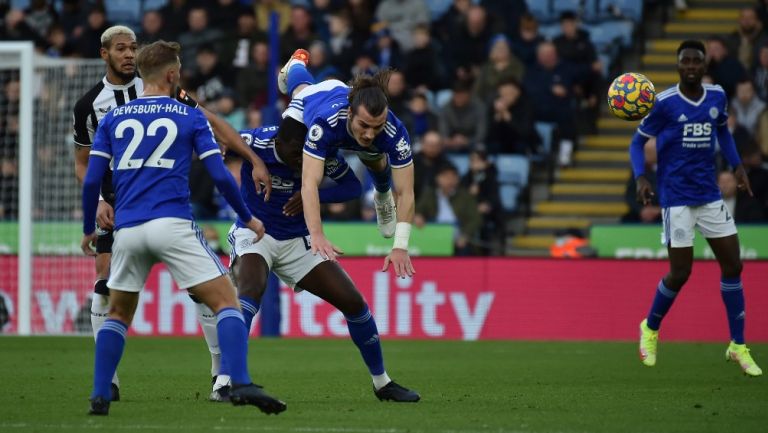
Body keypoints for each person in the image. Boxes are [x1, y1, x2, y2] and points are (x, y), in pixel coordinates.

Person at [80, 40, 286, 415]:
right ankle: (237, 381)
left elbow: (93, 181)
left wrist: (86, 228)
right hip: (172, 224)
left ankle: (99, 394)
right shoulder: (188, 116)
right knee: (226, 299)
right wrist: (247, 216)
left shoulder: (112, 118)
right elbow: (221, 177)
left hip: (127, 229)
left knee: (118, 314)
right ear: (173, 74)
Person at [213, 123, 420, 402]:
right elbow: (218, 132)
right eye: (296, 156)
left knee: (354, 303)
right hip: (255, 233)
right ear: (280, 144)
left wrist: (314, 194)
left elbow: (352, 187)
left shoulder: (317, 152)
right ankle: (225, 383)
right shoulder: (256, 140)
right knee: (250, 290)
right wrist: (248, 158)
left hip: (298, 241)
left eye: (306, 156)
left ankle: (382, 383)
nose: (304, 162)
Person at [630, 40, 762, 376]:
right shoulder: (664, 104)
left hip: (709, 195)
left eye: (696, 61)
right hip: (676, 198)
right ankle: (650, 327)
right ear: (678, 66)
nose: (690, 65)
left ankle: (738, 345)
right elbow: (636, 142)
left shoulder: (717, 96)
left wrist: (737, 166)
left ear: (704, 66)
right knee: (680, 273)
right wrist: (640, 177)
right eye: (685, 61)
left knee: (733, 265)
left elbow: (723, 132)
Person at [276, 49, 416, 278]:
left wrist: (400, 246)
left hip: (349, 134)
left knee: (376, 160)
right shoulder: (325, 123)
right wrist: (317, 233)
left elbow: (406, 192)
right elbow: (310, 183)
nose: (370, 133)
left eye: (376, 126)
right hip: (319, 101)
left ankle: (381, 196)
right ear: (350, 113)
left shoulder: (394, 132)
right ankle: (296, 66)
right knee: (290, 134)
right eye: (365, 125)